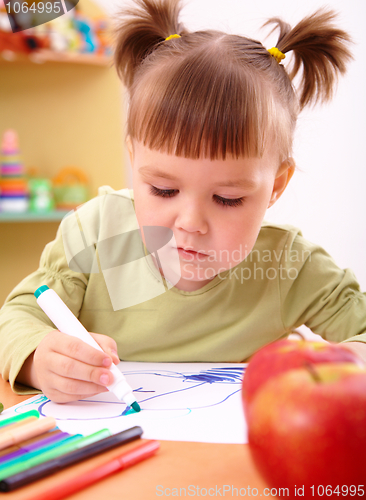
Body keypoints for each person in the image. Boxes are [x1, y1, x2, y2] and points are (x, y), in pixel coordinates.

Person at [1, 0, 365, 404]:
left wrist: (350, 360)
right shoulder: (97, 235)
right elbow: (18, 317)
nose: (190, 222)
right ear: (134, 159)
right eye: (164, 190)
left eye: (228, 199)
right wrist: (39, 356)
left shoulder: (290, 266)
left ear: (276, 186)